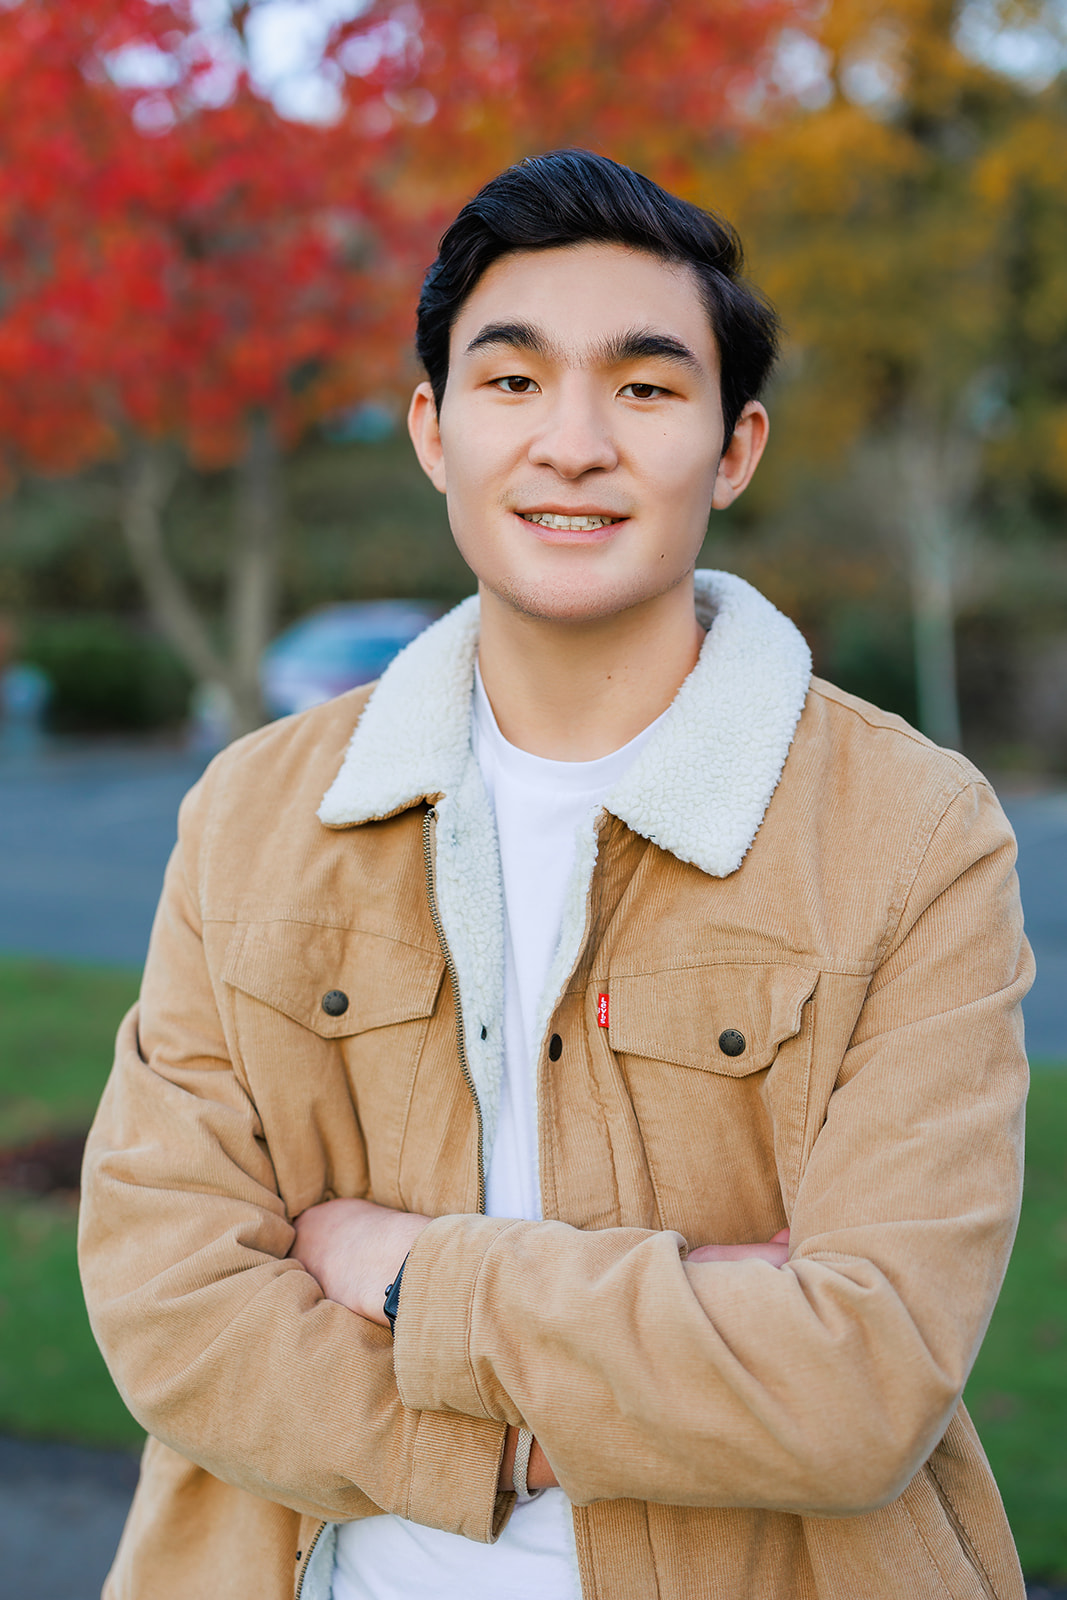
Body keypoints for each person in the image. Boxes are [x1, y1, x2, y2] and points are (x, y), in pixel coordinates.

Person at [79, 149, 1032, 1600]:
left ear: (733, 447)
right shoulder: (256, 814)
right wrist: (549, 1427)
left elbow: (859, 1388)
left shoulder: (914, 832)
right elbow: (168, 1309)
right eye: (512, 382)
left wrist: (400, 1269)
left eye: (645, 388)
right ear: (432, 430)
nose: (573, 442)